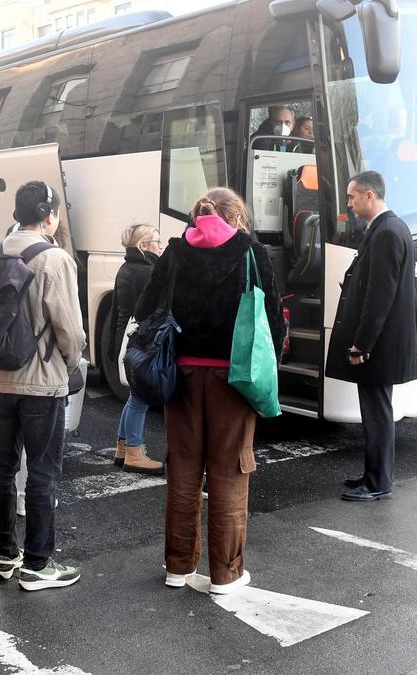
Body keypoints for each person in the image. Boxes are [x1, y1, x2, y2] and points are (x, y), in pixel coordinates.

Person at [136, 187, 284, 594]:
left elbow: (146, 308)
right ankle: (226, 573)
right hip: (234, 379)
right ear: (237, 216)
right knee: (230, 470)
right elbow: (272, 321)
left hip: (180, 376)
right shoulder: (252, 252)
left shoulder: (175, 251)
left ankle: (178, 568)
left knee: (183, 469)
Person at [0, 181, 86, 591]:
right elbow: (71, 330)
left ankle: (5, 555)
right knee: (43, 472)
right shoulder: (53, 258)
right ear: (49, 216)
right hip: (41, 383)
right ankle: (39, 564)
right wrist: (70, 365)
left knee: (3, 465)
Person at [324, 170, 417, 502]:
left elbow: (379, 295)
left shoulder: (386, 233)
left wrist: (362, 343)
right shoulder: (390, 228)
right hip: (384, 341)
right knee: (376, 411)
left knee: (378, 414)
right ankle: (373, 475)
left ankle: (378, 482)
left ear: (369, 195)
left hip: (379, 344)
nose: (349, 204)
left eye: (352, 196)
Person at [113, 223, 165, 475]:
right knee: (140, 397)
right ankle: (134, 450)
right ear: (144, 246)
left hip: (128, 337)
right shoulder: (146, 271)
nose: (161, 245)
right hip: (142, 340)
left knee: (135, 395)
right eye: (157, 241)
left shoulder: (127, 267)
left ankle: (123, 447)